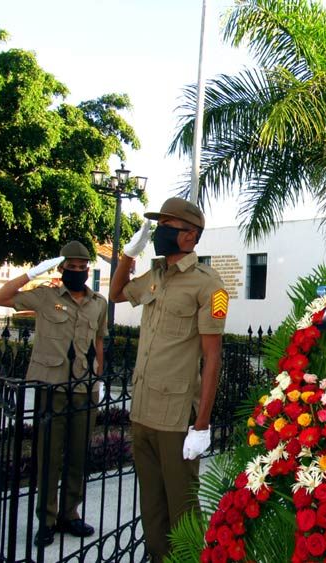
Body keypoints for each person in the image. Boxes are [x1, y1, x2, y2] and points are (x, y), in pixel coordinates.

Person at [109, 197, 227, 562]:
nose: (160, 232)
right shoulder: (155, 276)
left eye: (167, 226)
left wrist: (202, 424)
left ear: (190, 236)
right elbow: (115, 294)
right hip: (143, 410)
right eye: (159, 225)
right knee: (152, 506)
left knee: (183, 511)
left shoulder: (209, 284)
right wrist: (129, 256)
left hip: (176, 418)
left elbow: (212, 357)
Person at [0, 241, 106, 547]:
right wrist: (30, 274)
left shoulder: (98, 302)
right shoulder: (45, 297)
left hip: (84, 388)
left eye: (83, 268)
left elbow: (98, 342)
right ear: (62, 269)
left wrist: (99, 376)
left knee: (78, 456)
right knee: (49, 457)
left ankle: (71, 514)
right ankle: (48, 519)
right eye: (73, 267)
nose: (78, 272)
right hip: (50, 386)